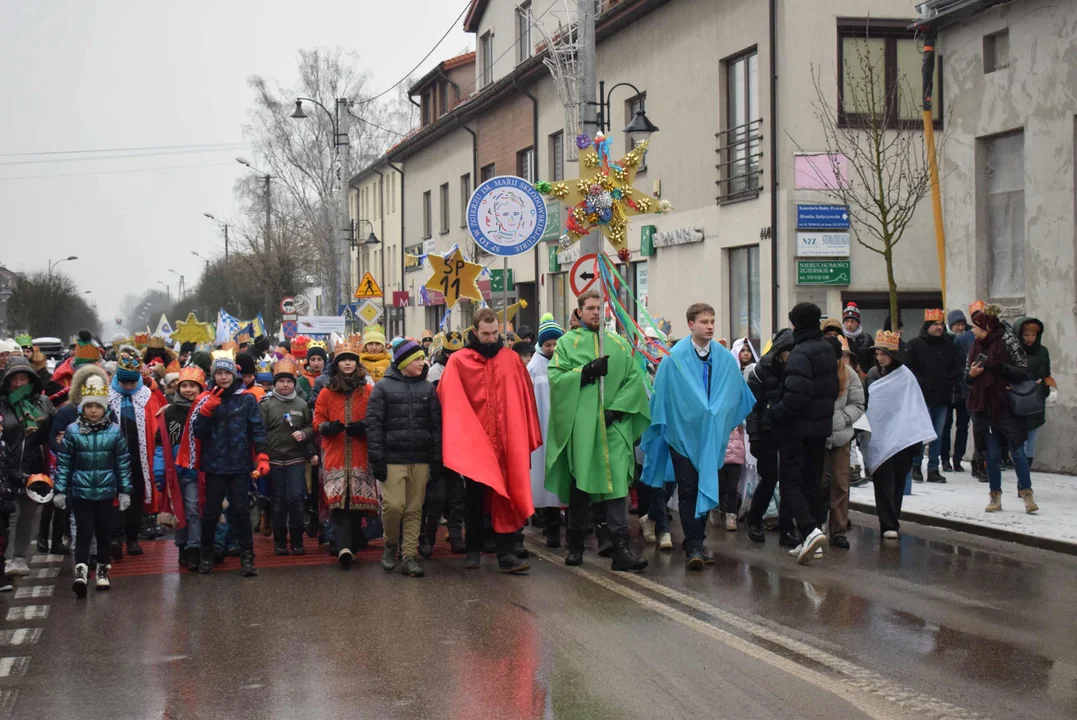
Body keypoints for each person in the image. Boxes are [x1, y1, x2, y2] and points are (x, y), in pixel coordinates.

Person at [641, 303, 754, 570]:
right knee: (689, 487)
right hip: (681, 435)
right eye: (704, 321)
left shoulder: (725, 359)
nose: (710, 326)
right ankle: (693, 543)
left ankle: (697, 540)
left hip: (710, 437)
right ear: (691, 325)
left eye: (712, 321)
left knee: (707, 483)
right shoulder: (674, 358)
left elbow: (736, 392)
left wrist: (720, 413)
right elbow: (662, 395)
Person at [548, 292, 650, 572]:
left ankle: (620, 548)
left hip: (613, 428)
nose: (596, 313)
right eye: (590, 308)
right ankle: (576, 545)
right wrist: (586, 371)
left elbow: (634, 380)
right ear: (579, 312)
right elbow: (556, 378)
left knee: (617, 486)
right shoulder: (567, 344)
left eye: (599, 308)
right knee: (581, 483)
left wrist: (616, 411)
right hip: (581, 429)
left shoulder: (617, 343)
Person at [438, 308, 541, 573]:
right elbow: (449, 401)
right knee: (473, 498)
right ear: (475, 332)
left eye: (496, 333)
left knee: (505, 497)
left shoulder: (511, 360)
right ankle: (473, 550)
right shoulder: (459, 361)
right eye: (486, 333)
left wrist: (521, 434)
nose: (491, 338)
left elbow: (524, 397)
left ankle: (506, 552)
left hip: (507, 441)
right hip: (476, 445)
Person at [365, 340, 441, 578]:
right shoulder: (383, 388)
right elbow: (374, 424)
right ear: (406, 362)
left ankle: (409, 555)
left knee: (414, 508)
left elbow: (436, 425)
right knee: (394, 506)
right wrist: (377, 458)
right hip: (392, 459)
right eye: (418, 359)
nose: (422, 363)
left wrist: (437, 458)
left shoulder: (428, 389)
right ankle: (390, 544)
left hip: (420, 458)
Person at [769, 303, 838, 564]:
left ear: (796, 324)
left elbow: (797, 394)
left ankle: (809, 530)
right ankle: (813, 535)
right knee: (812, 481)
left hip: (797, 428)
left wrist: (776, 409)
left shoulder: (800, 353)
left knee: (790, 482)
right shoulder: (828, 350)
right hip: (820, 428)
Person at [190, 348, 269, 577]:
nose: (223, 377)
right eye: (219, 373)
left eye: (227, 373)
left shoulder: (246, 400)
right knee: (211, 513)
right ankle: (206, 555)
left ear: (234, 374)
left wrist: (262, 456)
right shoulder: (204, 399)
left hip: (239, 465)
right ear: (212, 376)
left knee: (241, 512)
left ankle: (247, 558)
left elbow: (257, 429)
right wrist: (206, 410)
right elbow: (198, 433)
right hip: (213, 466)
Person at [53, 373, 131, 596]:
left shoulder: (115, 431)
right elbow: (64, 464)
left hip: (106, 493)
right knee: (84, 531)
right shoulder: (72, 431)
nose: (94, 410)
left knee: (104, 532)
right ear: (83, 408)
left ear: (105, 407)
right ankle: (81, 572)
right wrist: (59, 490)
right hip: (81, 492)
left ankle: (103, 572)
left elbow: (123, 464)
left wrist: (125, 491)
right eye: (90, 406)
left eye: (98, 406)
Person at [863, 330, 937, 539]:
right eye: (877, 354)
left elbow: (914, 408)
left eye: (883, 354)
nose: (880, 358)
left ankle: (892, 518)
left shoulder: (906, 377)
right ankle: (887, 523)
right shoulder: (872, 374)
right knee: (883, 481)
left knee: (897, 482)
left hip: (903, 438)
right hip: (880, 436)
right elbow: (872, 406)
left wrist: (915, 439)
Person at [314, 338, 379, 569]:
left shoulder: (368, 391)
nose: (348, 363)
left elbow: (376, 418)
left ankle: (351, 543)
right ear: (337, 364)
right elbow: (317, 420)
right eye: (344, 360)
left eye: (352, 359)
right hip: (335, 454)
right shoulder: (326, 392)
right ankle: (343, 547)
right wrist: (326, 428)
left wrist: (365, 427)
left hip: (361, 452)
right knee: (338, 503)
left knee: (355, 504)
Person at [965, 302, 1036, 513]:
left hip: (1007, 404)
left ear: (986, 327)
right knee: (993, 454)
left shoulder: (1008, 340)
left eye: (975, 327)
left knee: (1018, 452)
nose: (972, 330)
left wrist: (999, 368)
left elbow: (1023, 370)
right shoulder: (974, 346)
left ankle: (1027, 494)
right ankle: (995, 496)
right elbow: (965, 378)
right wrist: (971, 375)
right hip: (984, 406)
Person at [0, 356, 55, 577]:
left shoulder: (43, 403)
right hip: (6, 468)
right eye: (15, 379)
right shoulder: (2, 403)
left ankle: (20, 558)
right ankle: (7, 557)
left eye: (24, 378)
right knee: (10, 514)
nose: (19, 384)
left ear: (31, 380)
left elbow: (53, 431)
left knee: (28, 515)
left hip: (33, 466)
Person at [106, 345, 161, 561]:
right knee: (115, 497)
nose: (128, 386)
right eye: (124, 382)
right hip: (113, 458)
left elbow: (156, 426)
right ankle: (115, 538)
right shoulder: (108, 397)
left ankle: (132, 538)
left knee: (136, 497)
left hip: (140, 457)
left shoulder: (147, 396)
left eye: (132, 381)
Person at [260, 357, 317, 557]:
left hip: (296, 460)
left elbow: (312, 427)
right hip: (274, 460)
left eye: (289, 381)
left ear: (294, 383)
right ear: (275, 383)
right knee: (278, 502)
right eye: (281, 381)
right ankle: (279, 540)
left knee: (296, 499)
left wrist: (304, 434)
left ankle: (297, 540)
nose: (285, 385)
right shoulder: (266, 404)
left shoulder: (301, 404)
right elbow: (259, 431)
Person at [743, 330, 795, 545]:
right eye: (788, 351)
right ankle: (754, 519)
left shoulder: (796, 368)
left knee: (790, 480)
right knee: (770, 477)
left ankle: (787, 528)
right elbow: (752, 407)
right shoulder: (761, 370)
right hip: (766, 432)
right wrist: (754, 436)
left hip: (789, 432)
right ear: (780, 351)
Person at [153, 365, 205, 570]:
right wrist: (159, 470)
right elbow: (160, 443)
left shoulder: (205, 410)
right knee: (178, 509)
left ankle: (194, 547)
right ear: (178, 387)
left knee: (192, 508)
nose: (189, 390)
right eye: (185, 386)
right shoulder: (168, 413)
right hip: (174, 471)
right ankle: (181, 545)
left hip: (196, 469)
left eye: (193, 386)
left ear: (200, 388)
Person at [905, 309, 959, 484]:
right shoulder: (915, 344)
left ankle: (933, 468)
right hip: (922, 397)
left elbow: (955, 368)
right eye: (935, 324)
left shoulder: (949, 345)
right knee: (921, 433)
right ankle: (916, 466)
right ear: (927, 326)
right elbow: (910, 369)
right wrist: (923, 382)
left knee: (938, 434)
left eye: (941, 324)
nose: (939, 327)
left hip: (942, 397)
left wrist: (948, 381)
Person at [527, 314, 566, 548]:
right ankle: (551, 530)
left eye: (555, 344)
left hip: (563, 430)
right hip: (543, 429)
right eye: (547, 345)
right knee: (546, 481)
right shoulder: (533, 367)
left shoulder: (566, 362)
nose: (552, 349)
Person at [824, 337, 866, 549]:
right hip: (818, 437)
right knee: (819, 483)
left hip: (841, 438)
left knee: (841, 484)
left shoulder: (849, 375)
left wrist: (843, 419)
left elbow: (859, 404)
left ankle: (838, 530)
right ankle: (815, 526)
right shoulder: (817, 371)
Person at [1015, 317, 1054, 472]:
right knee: (1020, 441)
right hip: (1018, 399)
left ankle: (1026, 476)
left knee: (1031, 441)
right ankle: (1022, 479)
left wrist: (1050, 388)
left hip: (1037, 401)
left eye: (1033, 335)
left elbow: (1047, 374)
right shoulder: (1014, 351)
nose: (1030, 338)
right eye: (1026, 335)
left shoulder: (1042, 351)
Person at [942, 310, 974, 474]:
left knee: (963, 426)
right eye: (957, 325)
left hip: (963, 390)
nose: (960, 328)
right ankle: (945, 458)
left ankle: (958, 459)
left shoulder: (969, 338)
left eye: (962, 324)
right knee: (945, 426)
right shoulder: (944, 339)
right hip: (947, 390)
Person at [841, 303, 875, 372]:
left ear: (858, 323)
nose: (849, 324)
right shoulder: (840, 338)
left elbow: (873, 361)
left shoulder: (867, 338)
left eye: (852, 321)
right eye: (847, 321)